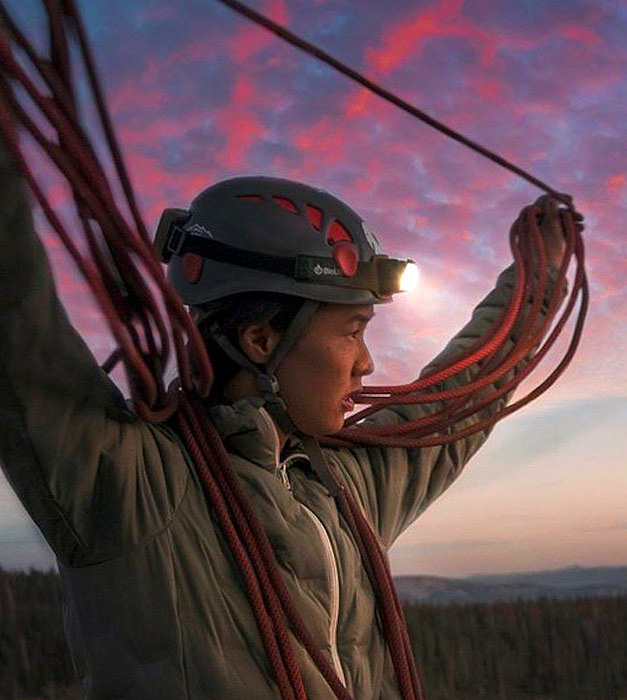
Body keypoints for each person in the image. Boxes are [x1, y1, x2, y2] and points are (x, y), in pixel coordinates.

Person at [0, 135, 576, 698]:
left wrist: (540, 275)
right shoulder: (127, 484)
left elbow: (454, 402)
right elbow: (19, 331)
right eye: (353, 331)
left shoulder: (340, 486)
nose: (366, 364)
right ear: (260, 339)